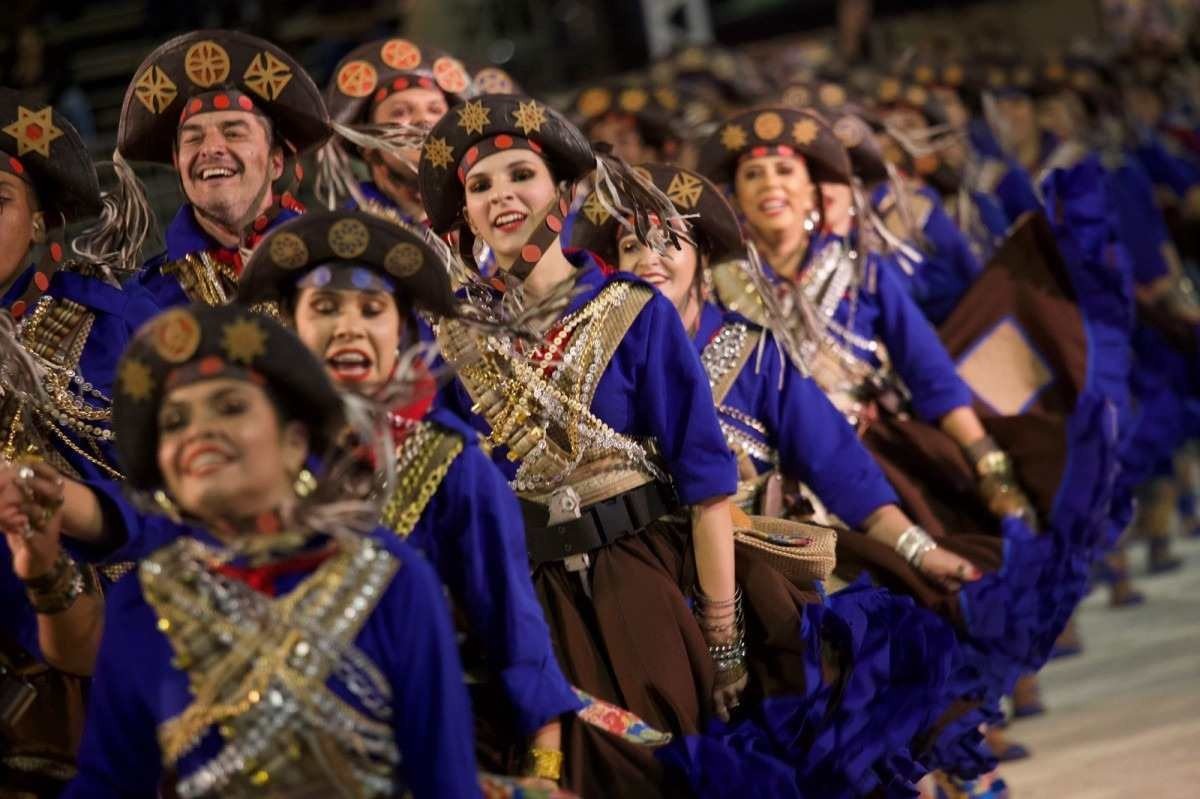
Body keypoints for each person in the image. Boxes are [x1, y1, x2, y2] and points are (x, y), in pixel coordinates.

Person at [421, 92, 956, 797]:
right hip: (541, 603)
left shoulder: (636, 314)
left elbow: (707, 490)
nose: (502, 196)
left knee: (679, 768)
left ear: (563, 191)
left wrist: (725, 636)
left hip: (648, 580)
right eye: (480, 185)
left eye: (521, 174)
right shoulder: (456, 341)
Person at [698, 106, 1130, 782]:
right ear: (736, 195)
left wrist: (989, 465)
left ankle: (967, 765)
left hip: (878, 471)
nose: (769, 182)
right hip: (779, 502)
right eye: (753, 173)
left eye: (786, 169)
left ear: (816, 189)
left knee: (931, 622)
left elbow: (931, 378)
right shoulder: (715, 290)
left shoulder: (863, 273)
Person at [64, 303, 481, 798]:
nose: (197, 431)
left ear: (293, 440)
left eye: (230, 406)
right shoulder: (143, 602)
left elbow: (446, 783)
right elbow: (109, 784)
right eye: (173, 421)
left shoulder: (391, 579)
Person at [235, 209, 586, 782]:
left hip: (429, 752)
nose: (348, 327)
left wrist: (543, 774)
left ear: (399, 334)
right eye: (324, 309)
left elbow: (515, 634)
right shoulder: (249, 470)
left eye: (371, 311)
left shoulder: (452, 467)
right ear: (290, 331)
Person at [118, 30, 332, 309]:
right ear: (177, 164)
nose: (210, 148)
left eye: (233, 133)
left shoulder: (330, 262)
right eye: (193, 138)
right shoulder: (145, 301)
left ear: (276, 162)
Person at [323, 38, 474, 222]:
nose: (423, 120)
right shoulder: (353, 228)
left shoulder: (483, 215)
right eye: (400, 112)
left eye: (435, 110)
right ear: (368, 147)